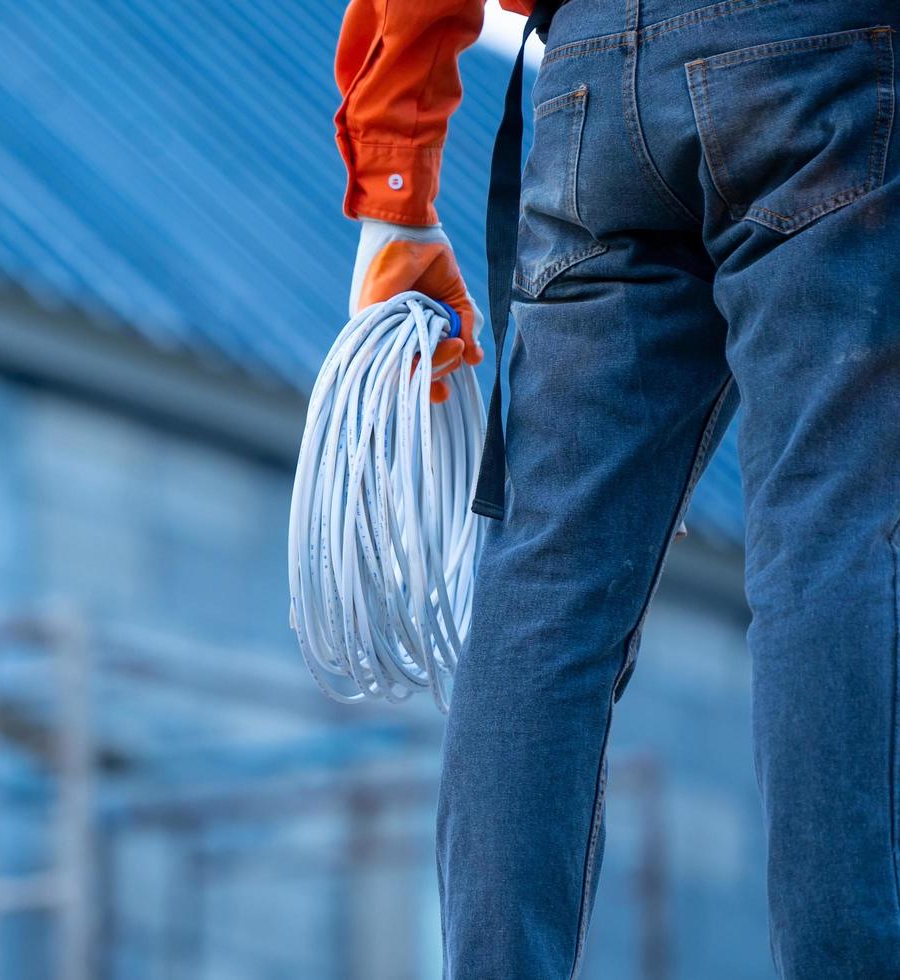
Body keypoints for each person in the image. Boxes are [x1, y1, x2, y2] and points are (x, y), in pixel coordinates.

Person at [333, 0, 900, 976]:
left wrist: (395, 191)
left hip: (596, 76)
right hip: (822, 58)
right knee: (828, 533)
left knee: (544, 584)